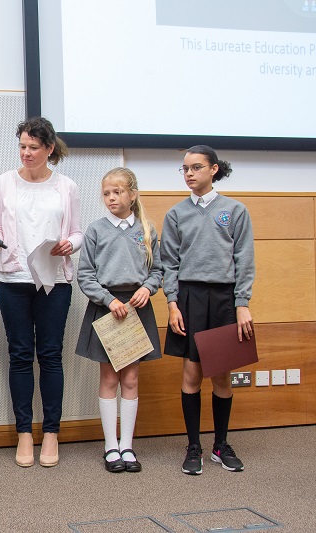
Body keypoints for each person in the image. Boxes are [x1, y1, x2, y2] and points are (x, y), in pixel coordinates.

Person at [0, 116, 82, 468]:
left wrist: (68, 245)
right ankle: (25, 432)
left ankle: (52, 432)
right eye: (22, 146)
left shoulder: (66, 187)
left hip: (54, 281)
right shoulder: (3, 183)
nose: (26, 153)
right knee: (20, 355)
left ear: (49, 149)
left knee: (51, 355)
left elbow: (77, 232)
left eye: (33, 147)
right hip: (13, 280)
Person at [161, 145, 255, 475]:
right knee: (191, 373)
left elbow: (244, 260)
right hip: (190, 298)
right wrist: (172, 304)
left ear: (213, 170)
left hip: (225, 299)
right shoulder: (176, 214)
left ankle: (220, 444)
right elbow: (169, 263)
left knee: (222, 375)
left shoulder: (235, 210)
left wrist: (242, 304)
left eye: (196, 167)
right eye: (184, 169)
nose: (188, 173)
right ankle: (193, 447)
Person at [75, 167, 162, 473]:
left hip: (137, 309)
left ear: (132, 194)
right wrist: (108, 300)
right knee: (110, 379)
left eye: (118, 192)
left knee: (131, 379)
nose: (111, 198)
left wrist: (147, 289)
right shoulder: (96, 230)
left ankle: (127, 445)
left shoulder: (147, 229)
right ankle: (110, 446)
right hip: (108, 308)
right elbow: (84, 275)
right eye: (106, 193)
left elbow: (157, 271)